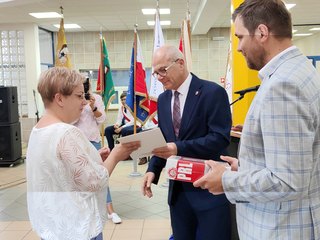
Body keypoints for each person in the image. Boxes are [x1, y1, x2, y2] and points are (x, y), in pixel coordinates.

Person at [193, 0, 320, 239]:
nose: (239, 47)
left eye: (240, 37)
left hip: (279, 227)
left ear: (262, 32)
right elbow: (300, 162)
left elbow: (287, 181)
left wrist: (228, 181)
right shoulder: (301, 70)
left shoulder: (283, 85)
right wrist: (244, 168)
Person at [26, 67, 140, 240]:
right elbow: (94, 182)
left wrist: (93, 158)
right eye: (79, 96)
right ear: (59, 98)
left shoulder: (38, 130)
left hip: (53, 227)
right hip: (78, 229)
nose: (84, 102)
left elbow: (58, 171)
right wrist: (117, 154)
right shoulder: (67, 132)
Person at [141, 45, 232, 240]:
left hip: (209, 190)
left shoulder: (212, 92)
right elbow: (165, 139)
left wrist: (178, 148)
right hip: (178, 193)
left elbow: (220, 137)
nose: (159, 77)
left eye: (162, 70)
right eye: (155, 73)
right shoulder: (164, 99)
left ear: (180, 63)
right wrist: (153, 169)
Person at [74, 77, 122, 224]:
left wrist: (93, 107)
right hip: (76, 141)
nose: (84, 90)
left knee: (100, 175)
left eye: (85, 86)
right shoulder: (72, 99)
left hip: (93, 141)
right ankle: (82, 210)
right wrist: (80, 105)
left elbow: (102, 120)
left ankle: (110, 211)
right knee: (78, 177)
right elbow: (69, 121)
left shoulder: (96, 98)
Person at [104, 92, 146, 165]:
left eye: (125, 99)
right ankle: (111, 151)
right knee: (108, 129)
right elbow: (119, 119)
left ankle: (126, 154)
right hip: (125, 126)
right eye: (122, 100)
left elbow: (134, 121)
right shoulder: (121, 108)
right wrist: (117, 125)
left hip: (136, 125)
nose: (123, 101)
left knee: (124, 130)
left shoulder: (133, 107)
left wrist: (121, 128)